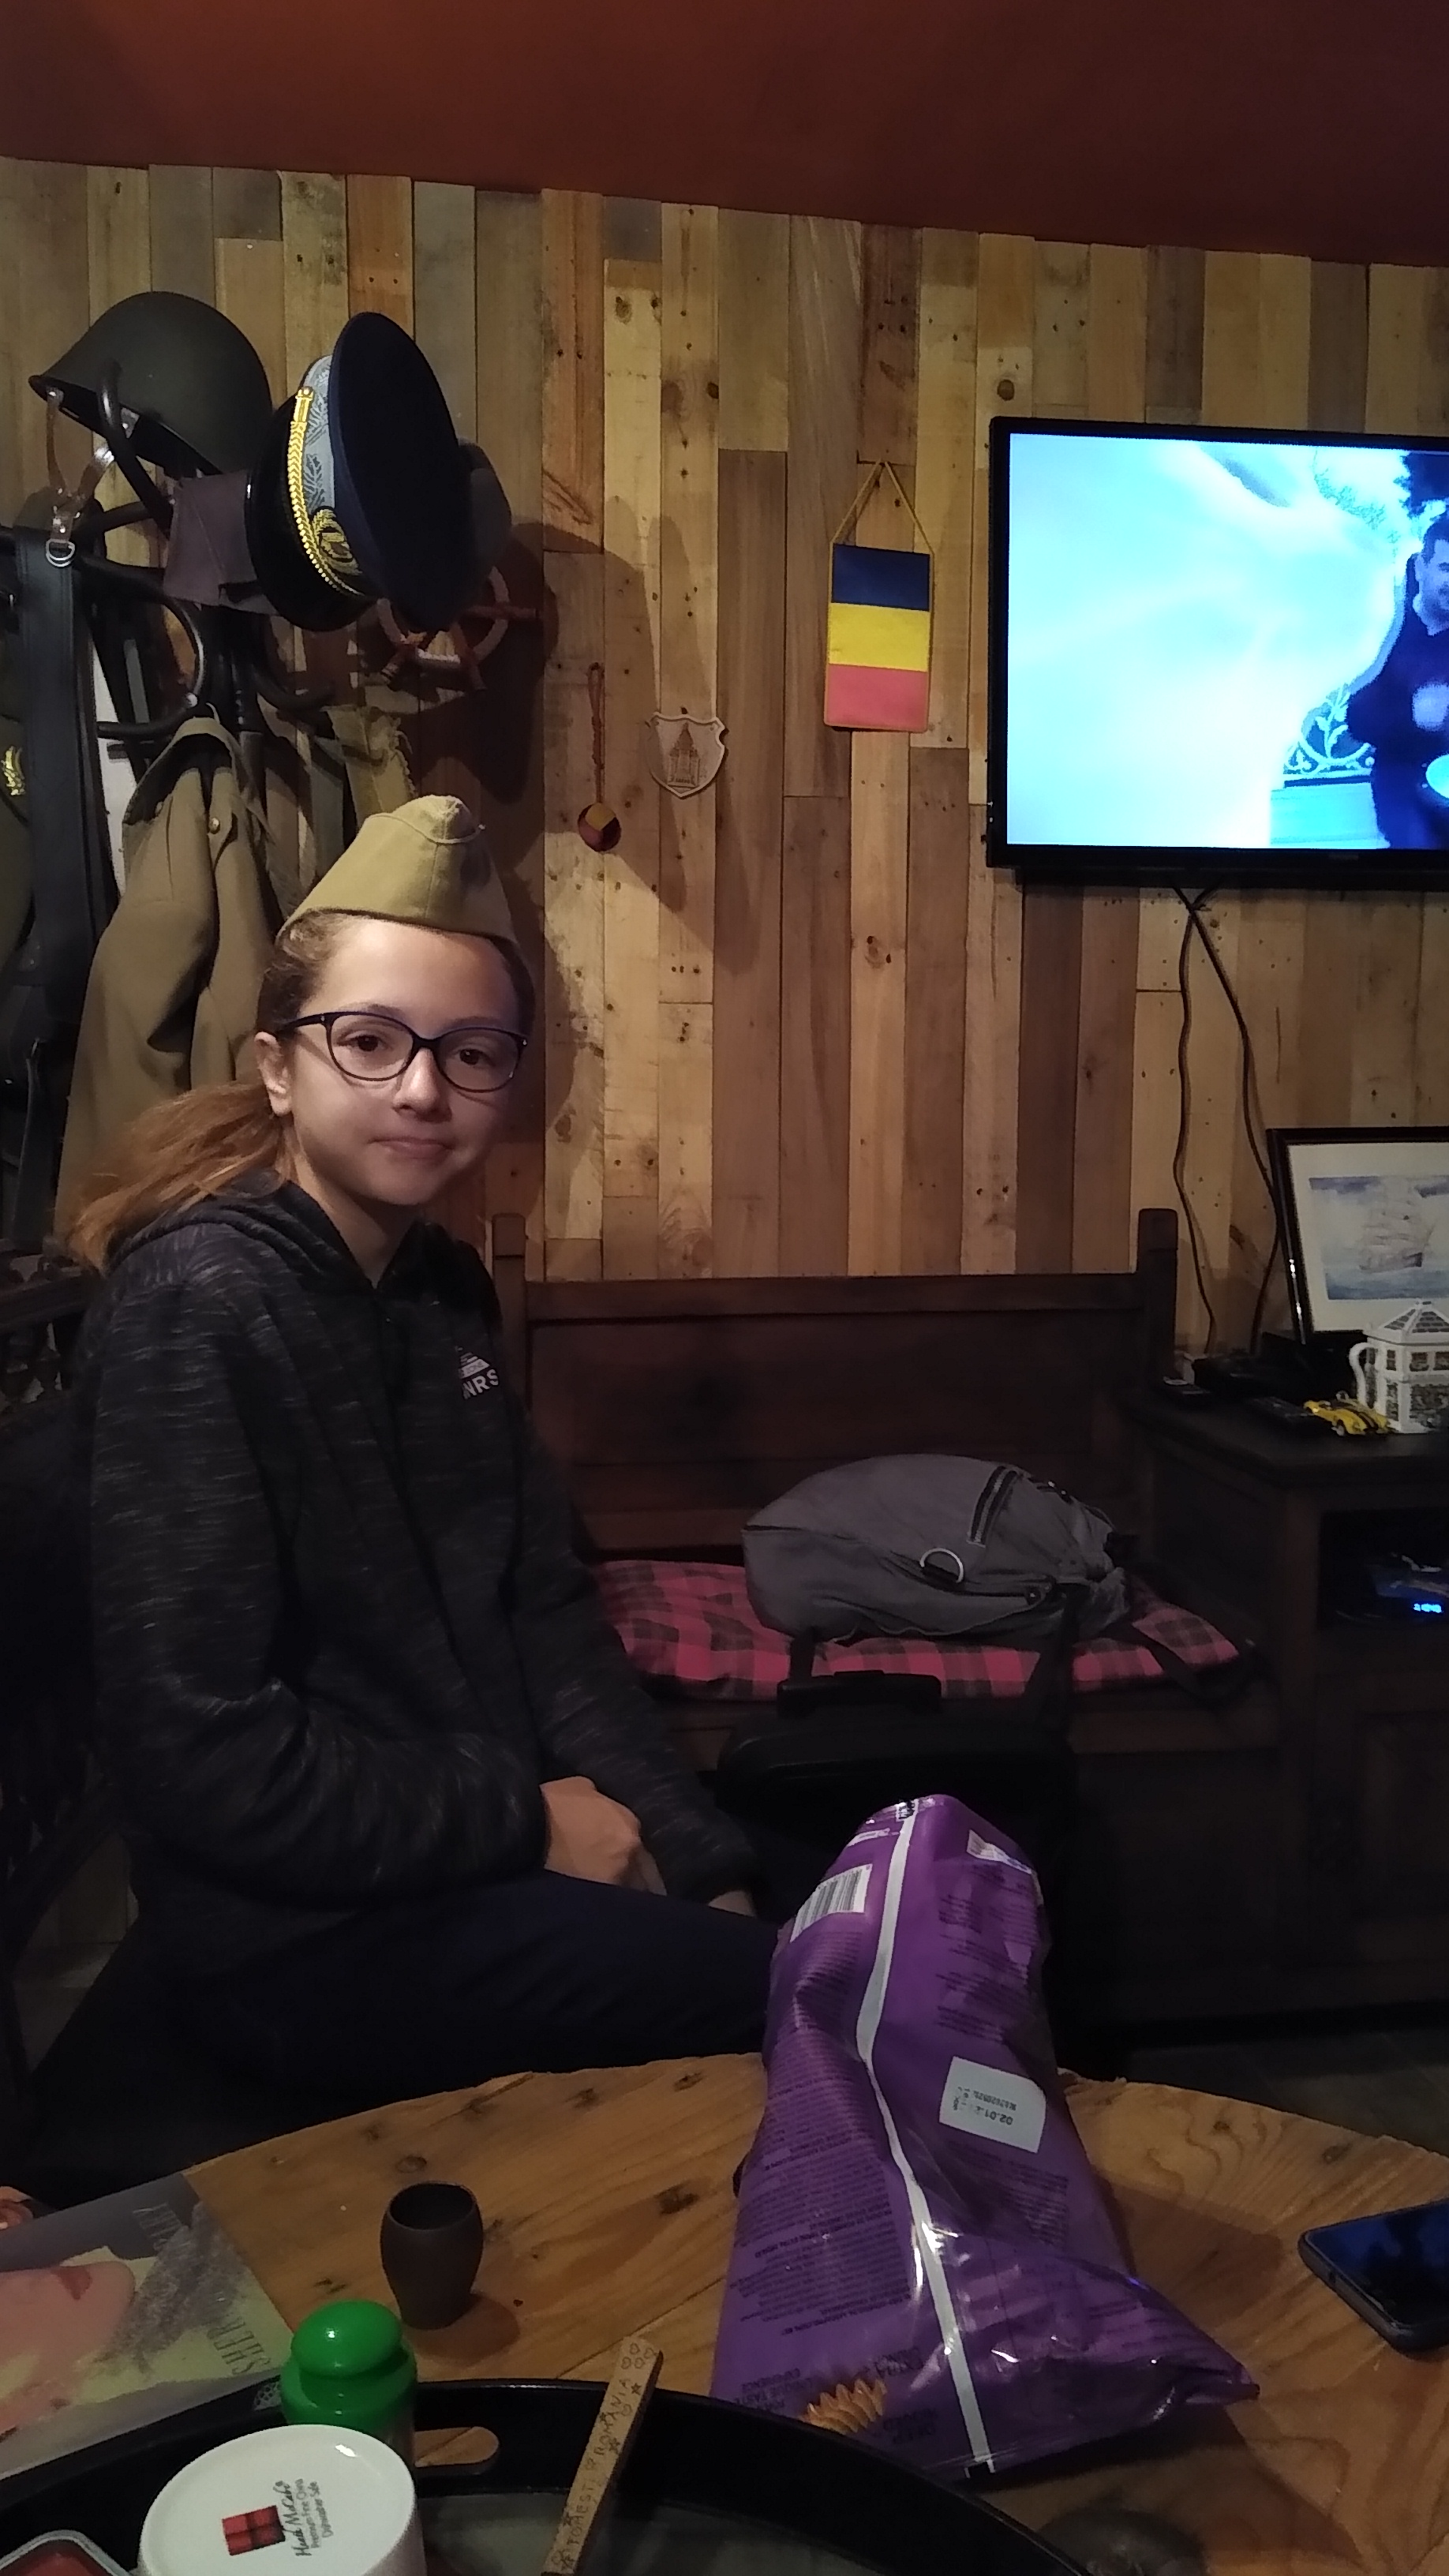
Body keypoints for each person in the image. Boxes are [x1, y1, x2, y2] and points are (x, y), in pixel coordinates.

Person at [67, 796, 783, 2106]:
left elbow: (541, 1611)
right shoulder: (202, 1305)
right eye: (370, 1041)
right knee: (825, 2005)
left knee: (834, 1935)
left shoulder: (438, 1288)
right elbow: (201, 1755)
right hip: (299, 1934)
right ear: (278, 1065)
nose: (421, 1088)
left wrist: (699, 1860)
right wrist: (527, 1820)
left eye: (472, 1053)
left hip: (466, 1853)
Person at [1348, 514, 1449, 848]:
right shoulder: (1387, 625)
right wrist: (1412, 716)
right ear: (1421, 567)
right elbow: (1357, 719)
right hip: (1400, 777)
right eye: (1446, 568)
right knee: (1418, 848)